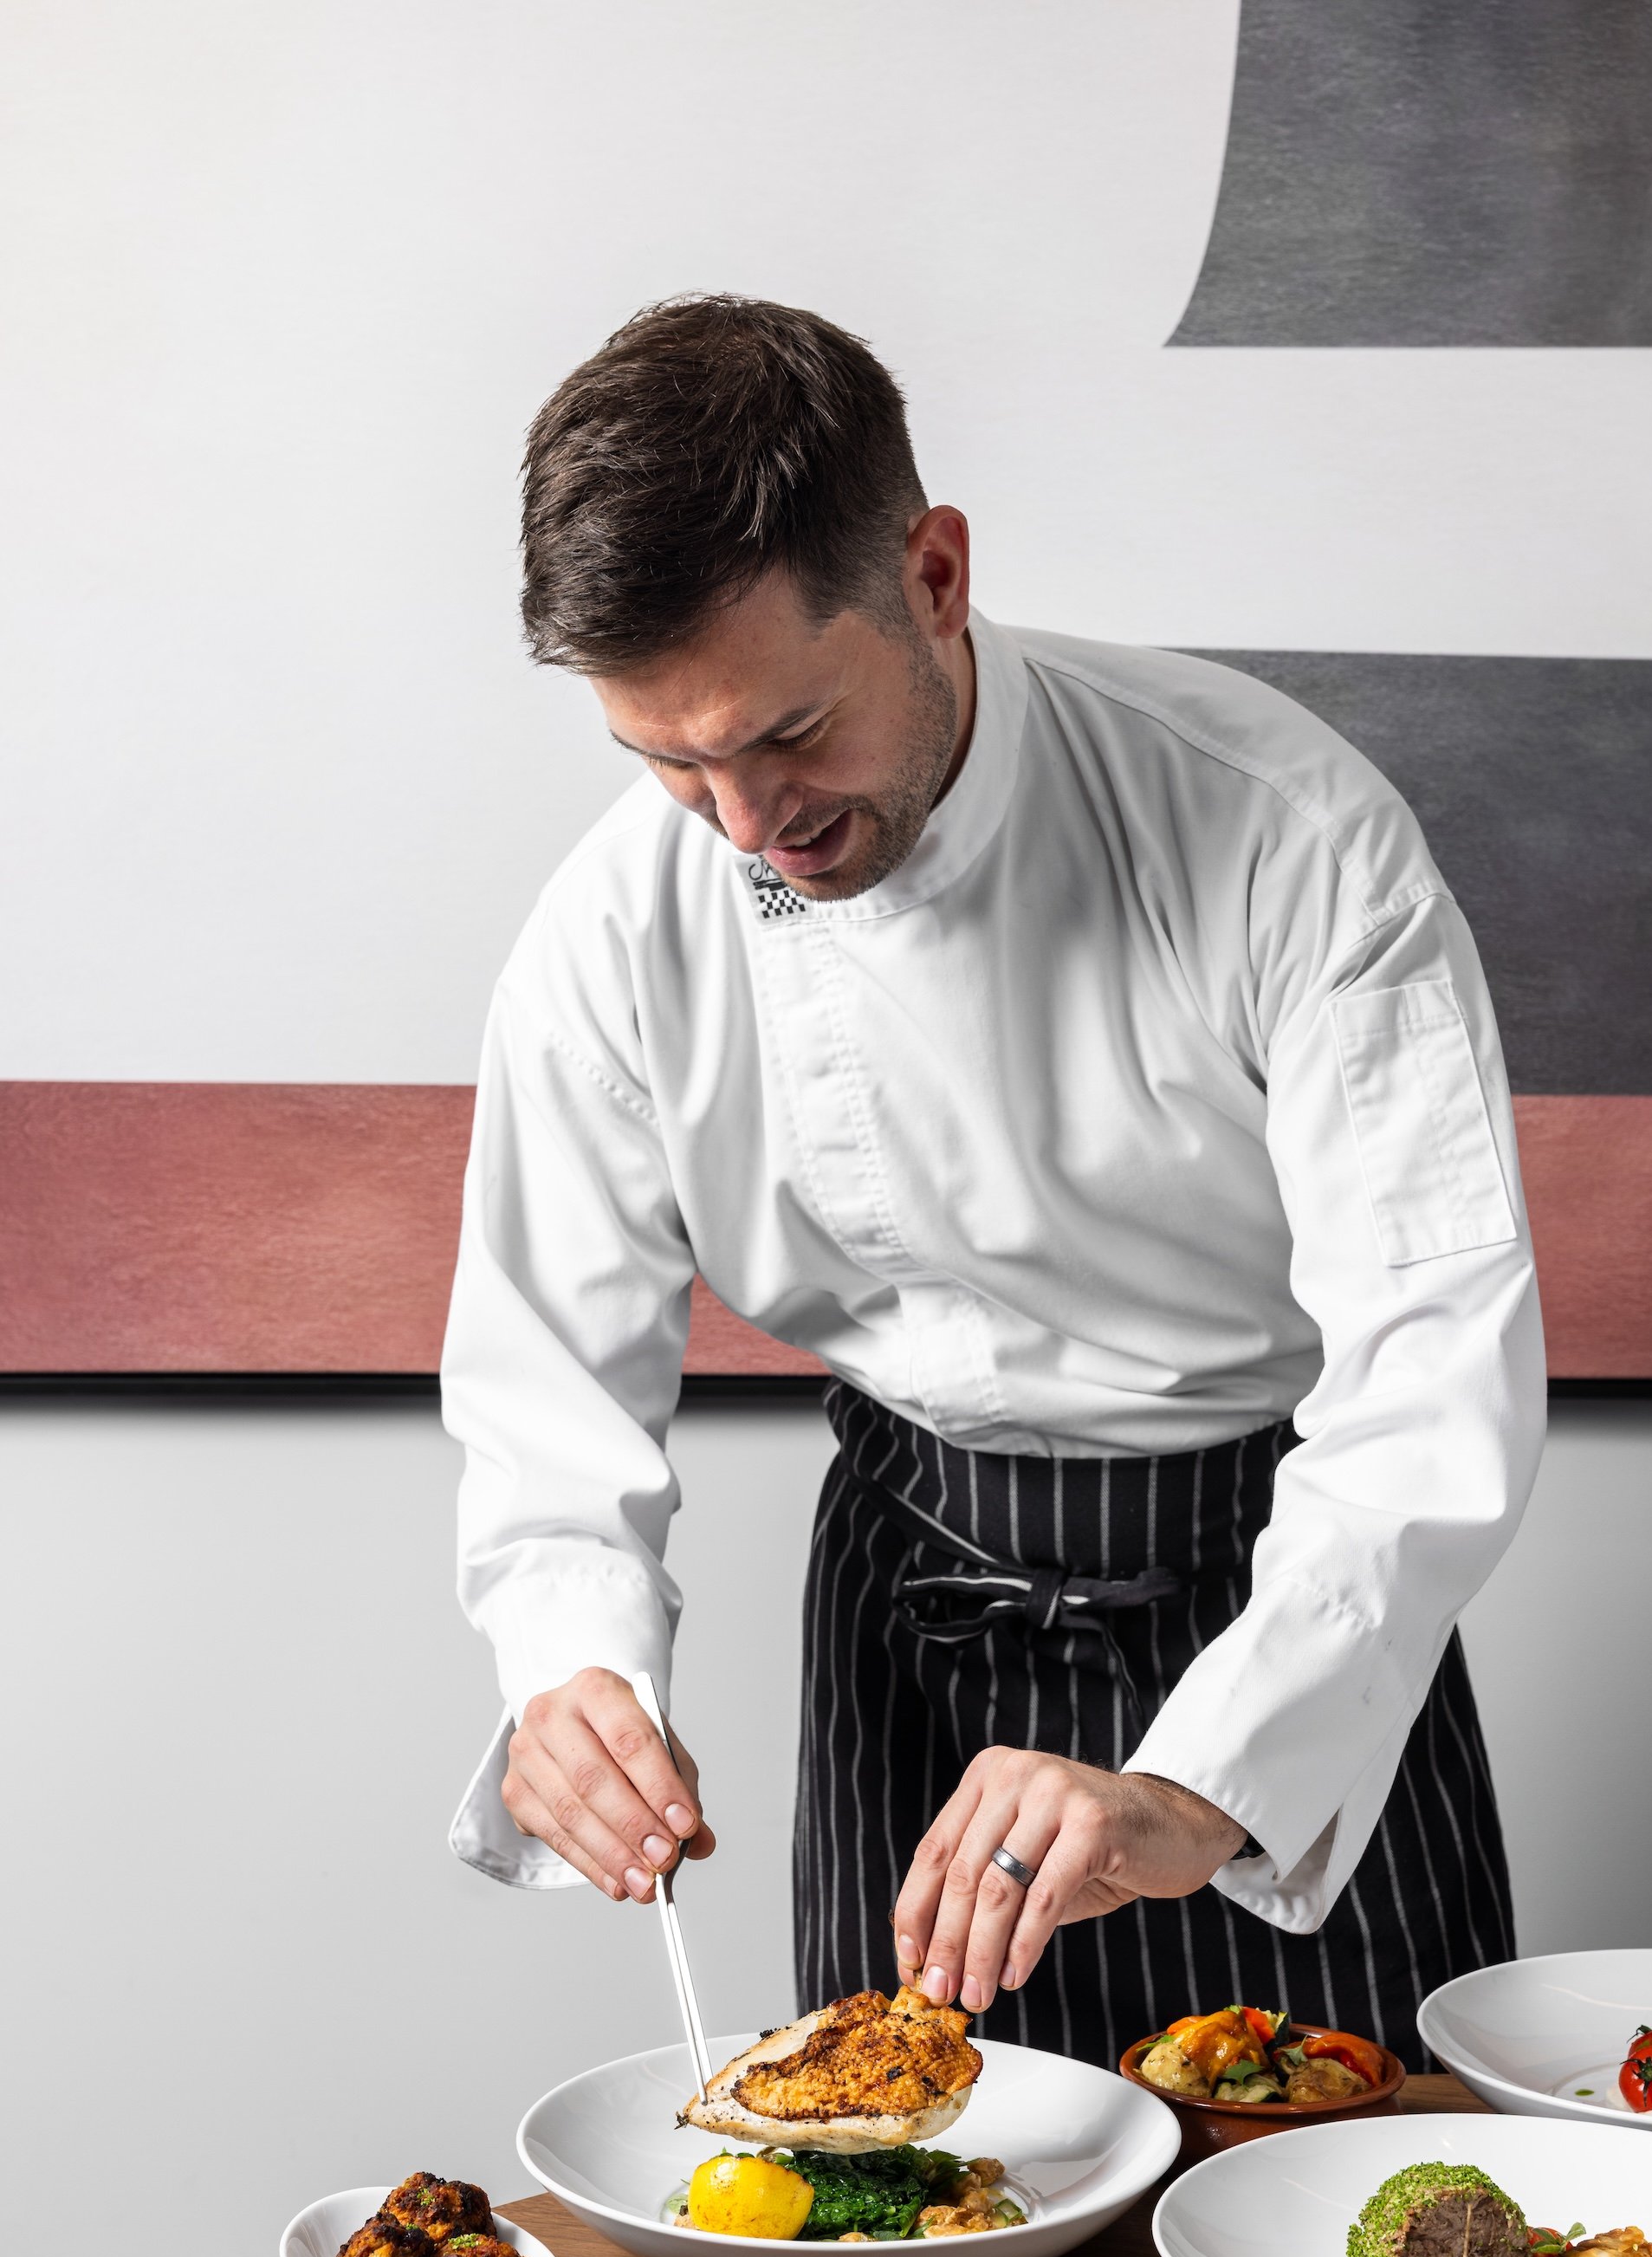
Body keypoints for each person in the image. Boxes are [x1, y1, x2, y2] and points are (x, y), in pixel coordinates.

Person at [442, 295, 1544, 2070]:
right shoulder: (608, 928)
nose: (743, 828)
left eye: (788, 731)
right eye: (668, 758)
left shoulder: (1284, 834)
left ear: (933, 578)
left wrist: (1198, 1783)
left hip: (1275, 1602)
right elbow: (542, 1387)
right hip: (909, 1619)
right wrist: (571, 1669)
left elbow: (1433, 1379)